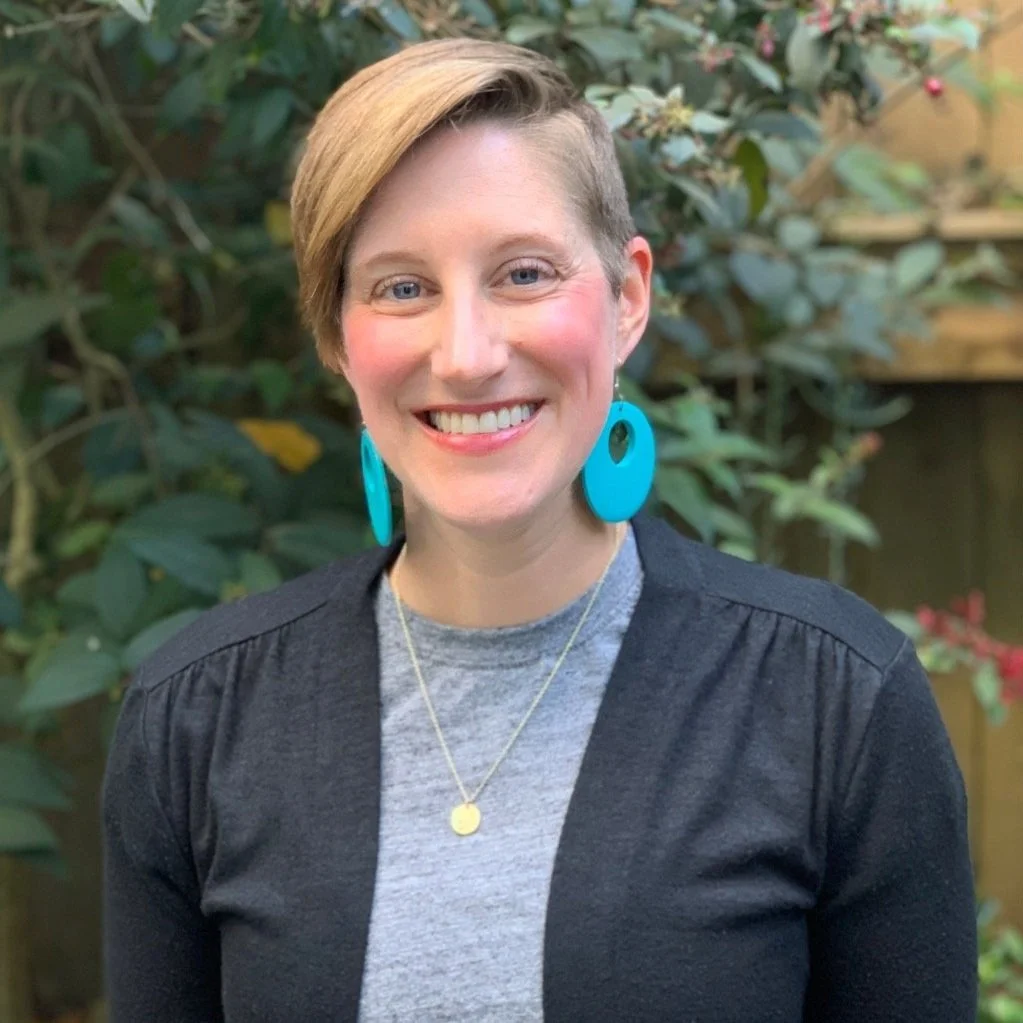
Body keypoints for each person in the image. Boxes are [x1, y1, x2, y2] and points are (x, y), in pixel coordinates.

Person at [102, 37, 978, 1023]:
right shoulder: (197, 719)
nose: (468, 355)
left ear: (628, 297)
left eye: (523, 273)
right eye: (400, 287)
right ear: (335, 337)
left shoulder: (835, 701)